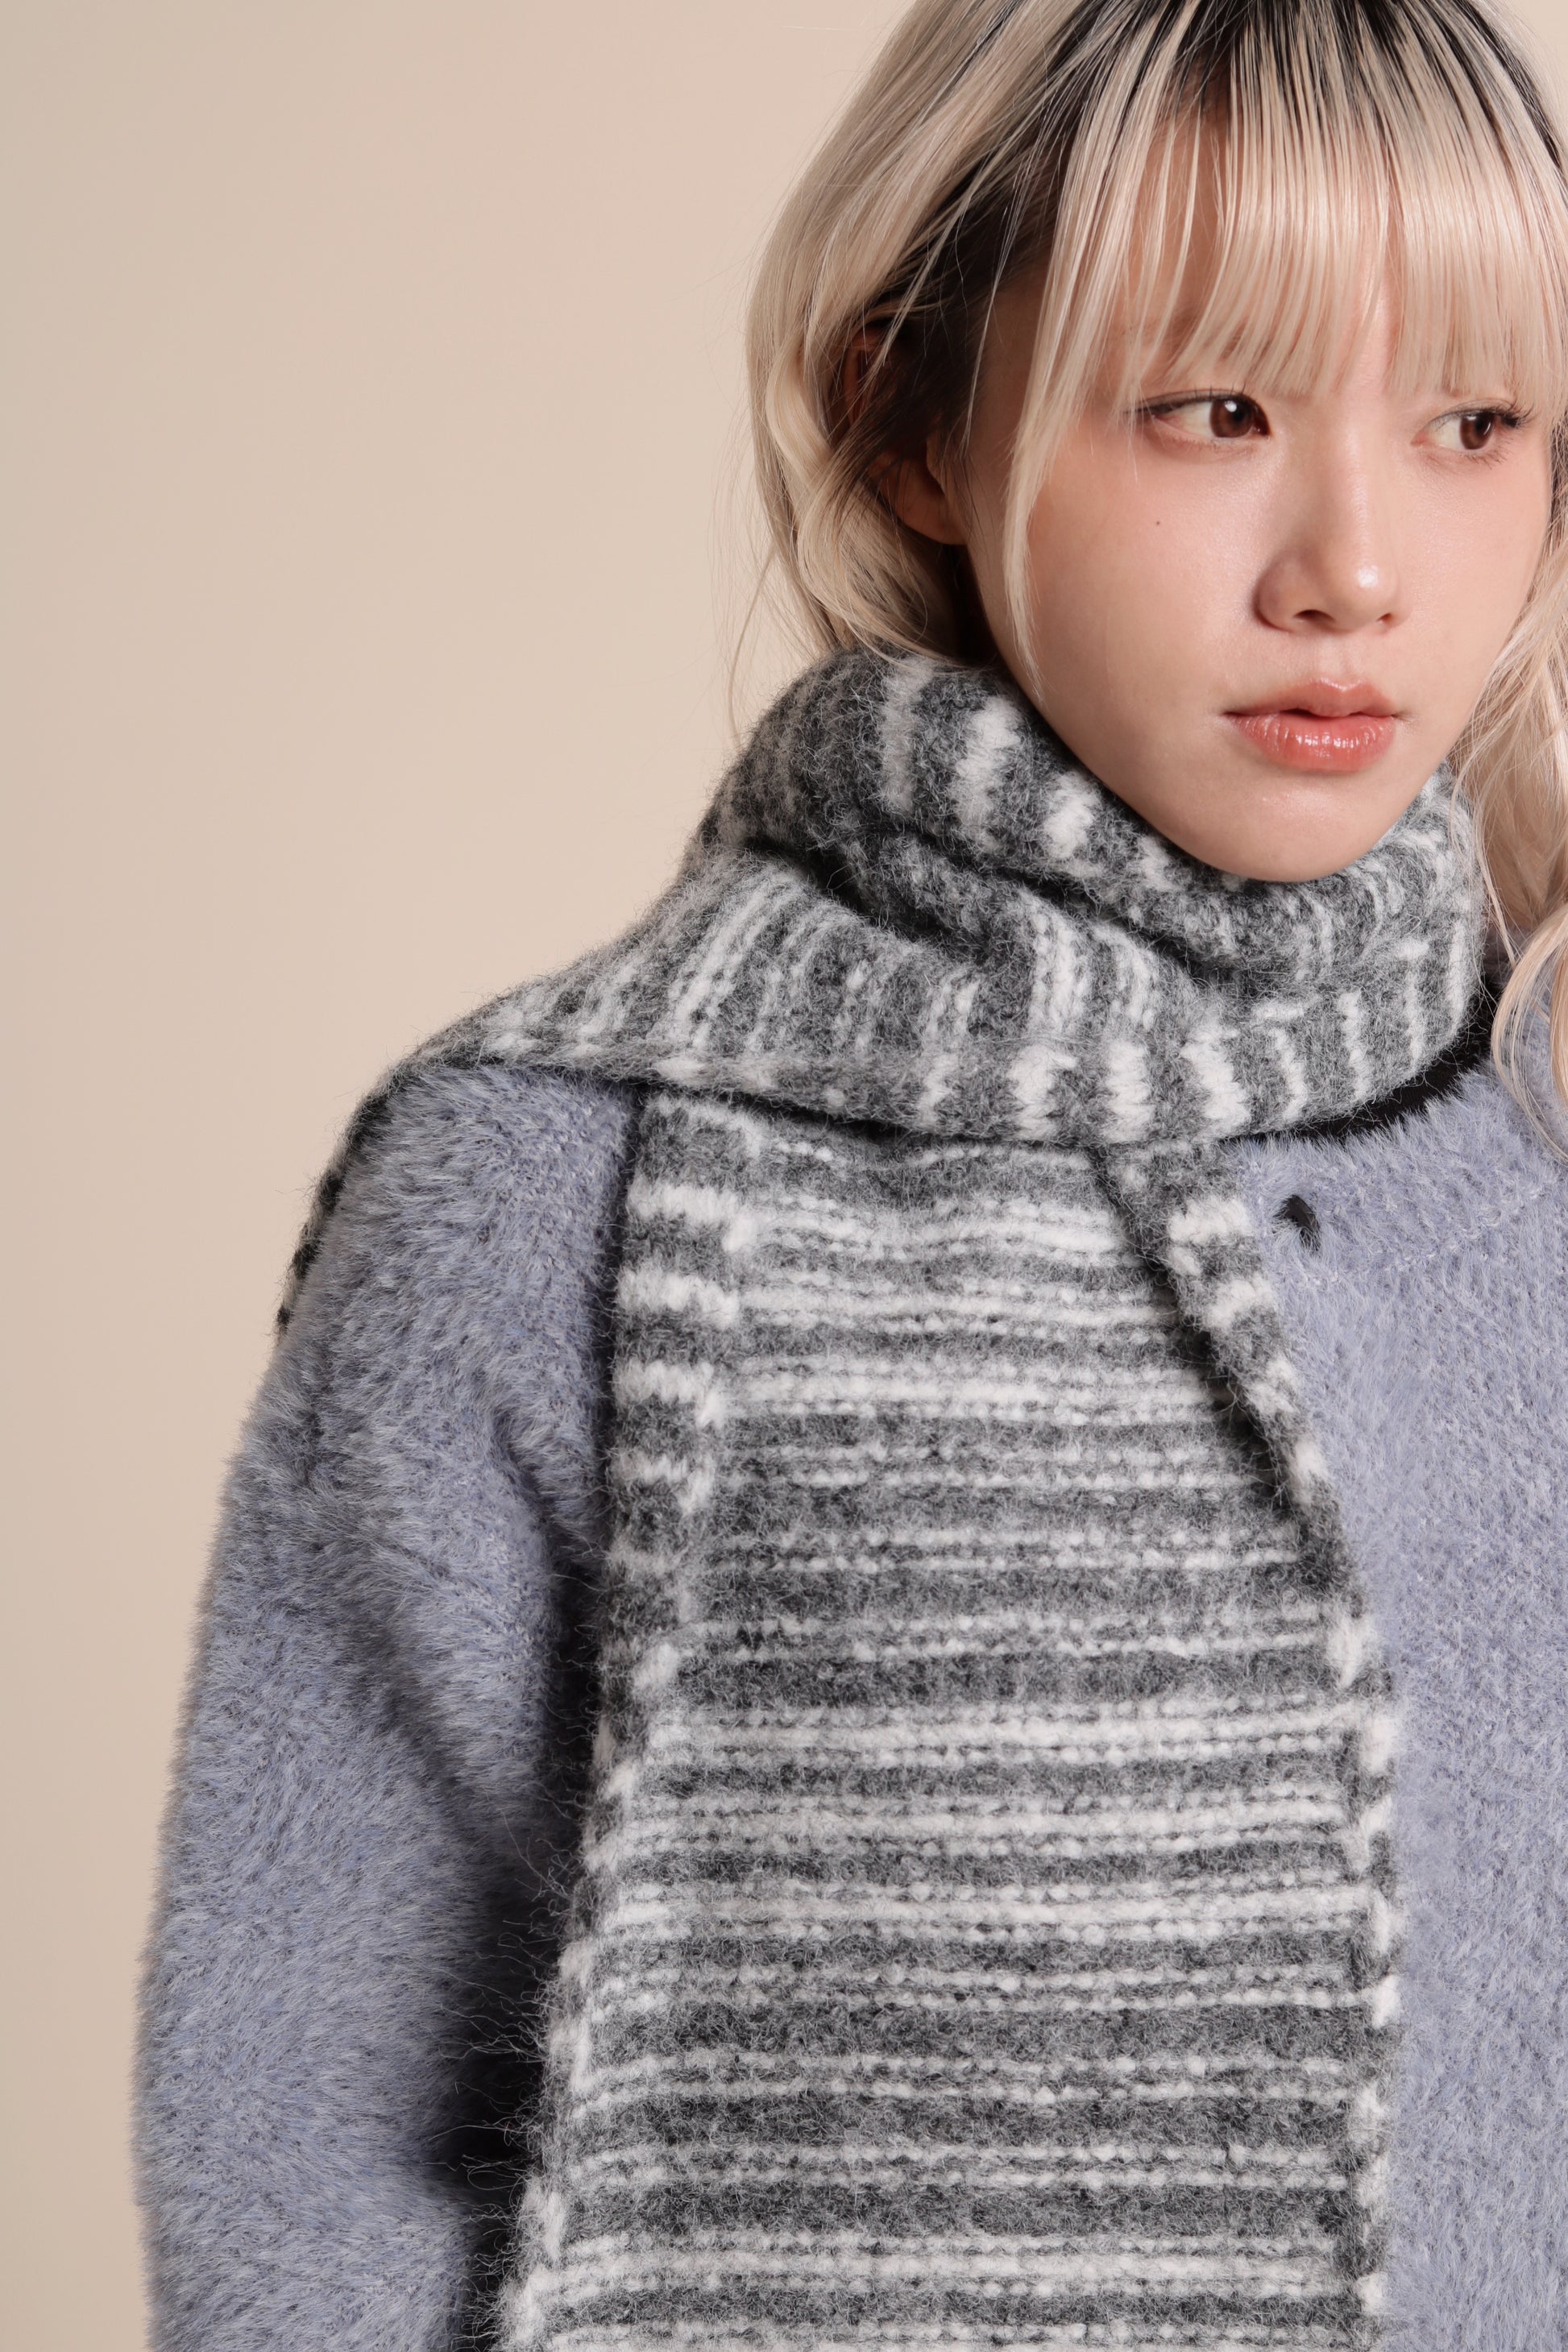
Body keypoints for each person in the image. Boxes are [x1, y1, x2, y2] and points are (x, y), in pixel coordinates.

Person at [135, 1, 1568, 2346]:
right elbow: (301, 2151)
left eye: (1475, 424)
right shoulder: (546, 1192)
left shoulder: (1539, 1127)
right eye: (1215, 407)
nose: (1355, 566)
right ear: (907, 413)